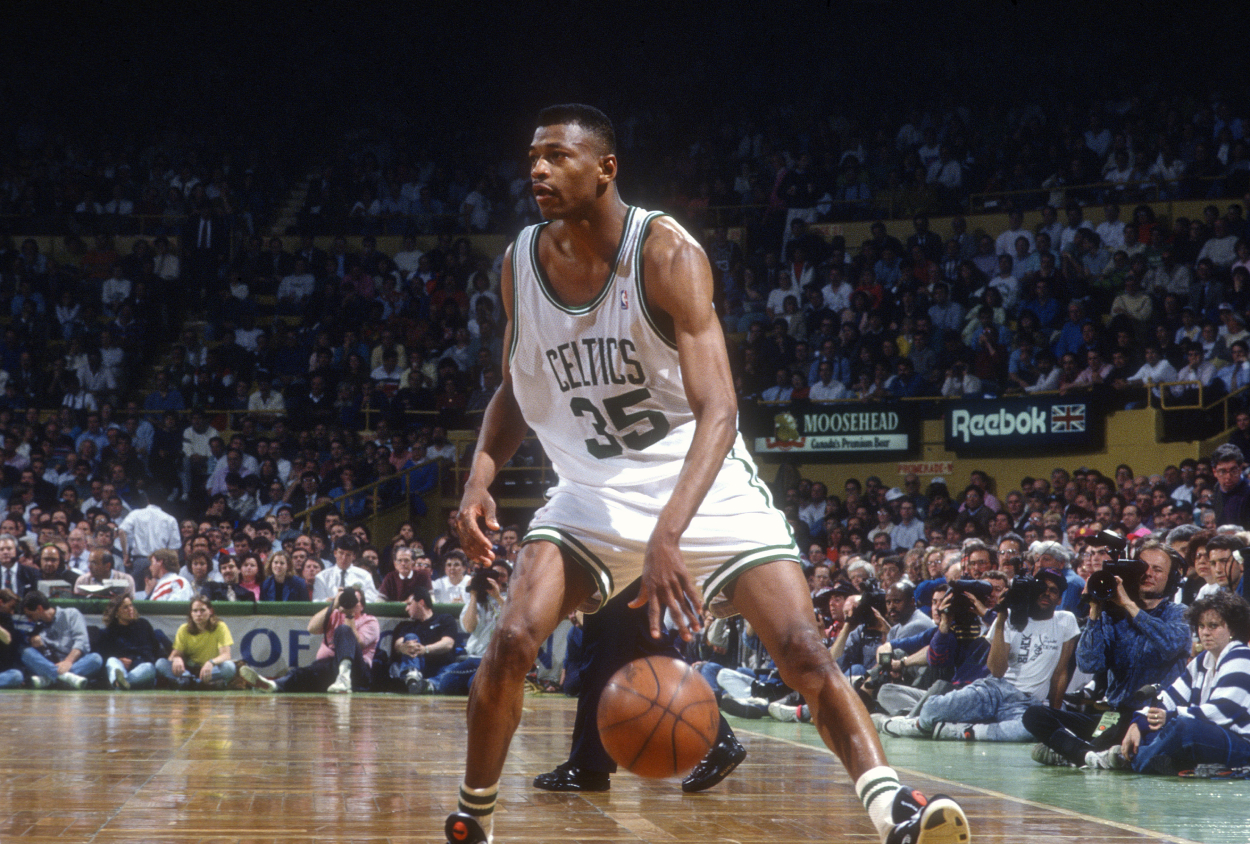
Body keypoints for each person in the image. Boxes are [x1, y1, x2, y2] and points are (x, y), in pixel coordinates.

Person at [443, 105, 966, 844]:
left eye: (558, 156)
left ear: (605, 168)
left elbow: (719, 408)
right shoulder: (519, 262)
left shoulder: (665, 254)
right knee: (513, 638)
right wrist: (478, 479)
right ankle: (474, 816)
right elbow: (514, 387)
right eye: (533, 156)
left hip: (704, 485)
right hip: (591, 493)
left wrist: (669, 532)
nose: (538, 169)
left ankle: (893, 810)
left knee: (803, 650)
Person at [532, 578, 746, 794]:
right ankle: (718, 738)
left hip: (623, 559)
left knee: (610, 650)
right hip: (633, 561)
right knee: (641, 646)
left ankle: (589, 767)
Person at [1024, 540, 1191, 766]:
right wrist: (1095, 612)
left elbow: (1170, 644)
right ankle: (1088, 755)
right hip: (1113, 715)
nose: (1148, 574)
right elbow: (1088, 663)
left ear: (1171, 578)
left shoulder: (1178, 613)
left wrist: (1131, 606)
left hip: (1149, 718)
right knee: (1035, 716)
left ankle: (1075, 752)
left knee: (1112, 736)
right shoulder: (1113, 615)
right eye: (1143, 568)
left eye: (1158, 569)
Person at [1090, 591, 1250, 773]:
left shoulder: (1242, 656)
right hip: (1213, 738)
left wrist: (1170, 716)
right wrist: (1138, 723)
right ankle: (1134, 759)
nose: (1205, 632)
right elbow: (1168, 698)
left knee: (1183, 727)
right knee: (1155, 724)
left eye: (1213, 626)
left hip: (1242, 746)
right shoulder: (1202, 660)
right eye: (1201, 626)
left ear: (1233, 630)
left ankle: (1124, 761)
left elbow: (1221, 711)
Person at [239, 585, 378, 694]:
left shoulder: (370, 621)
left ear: (362, 605)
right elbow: (311, 628)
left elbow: (358, 643)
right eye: (348, 599)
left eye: (355, 600)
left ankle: (344, 677)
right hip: (330, 669)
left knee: (343, 630)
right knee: (302, 672)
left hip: (358, 672)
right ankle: (274, 685)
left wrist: (349, 615)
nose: (350, 603)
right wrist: (333, 605)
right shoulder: (335, 614)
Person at [19, 590, 104, 689]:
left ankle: (48, 679)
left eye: (30, 615)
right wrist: (38, 645)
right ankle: (66, 678)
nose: (29, 619)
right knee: (27, 653)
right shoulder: (36, 627)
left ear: (39, 608)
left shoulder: (71, 614)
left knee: (96, 659)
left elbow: (82, 641)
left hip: (73, 662)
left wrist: (68, 661)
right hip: (50, 663)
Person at [156, 597, 237, 689]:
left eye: (202, 610)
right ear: (191, 613)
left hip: (211, 669)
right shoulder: (184, 629)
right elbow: (172, 656)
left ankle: (190, 683)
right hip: (188, 670)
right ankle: (199, 683)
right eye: (195, 611)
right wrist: (177, 658)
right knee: (160, 663)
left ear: (210, 611)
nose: (199, 614)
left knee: (229, 667)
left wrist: (211, 663)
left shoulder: (220, 626)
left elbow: (226, 655)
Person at [389, 587, 460, 692]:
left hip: (441, 667)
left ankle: (428, 685)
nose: (406, 609)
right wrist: (402, 648)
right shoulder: (406, 625)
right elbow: (398, 642)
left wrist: (425, 649)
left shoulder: (445, 619)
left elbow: (448, 643)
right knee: (410, 637)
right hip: (419, 666)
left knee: (456, 668)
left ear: (421, 603)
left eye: (409, 604)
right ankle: (412, 675)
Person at [96, 593, 163, 689]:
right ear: (116, 613)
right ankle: (120, 681)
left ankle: (122, 683)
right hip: (122, 669)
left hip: (141, 669)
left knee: (149, 667)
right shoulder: (110, 631)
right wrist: (120, 660)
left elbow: (155, 650)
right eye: (125, 607)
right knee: (111, 661)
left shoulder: (143, 625)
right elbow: (104, 656)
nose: (130, 609)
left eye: (131, 605)